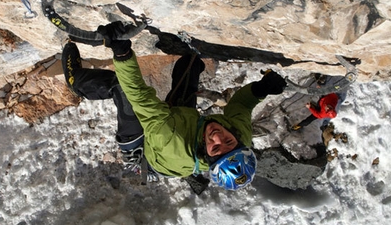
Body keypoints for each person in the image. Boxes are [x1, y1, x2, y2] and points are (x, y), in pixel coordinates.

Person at [62, 21, 287, 192]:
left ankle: (78, 83)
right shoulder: (241, 137)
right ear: (238, 139)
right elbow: (242, 106)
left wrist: (122, 53)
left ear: (207, 158)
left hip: (147, 149)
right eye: (228, 141)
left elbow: (140, 96)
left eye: (216, 148)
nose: (218, 137)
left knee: (121, 90)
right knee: (190, 65)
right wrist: (261, 89)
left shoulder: (170, 138)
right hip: (187, 125)